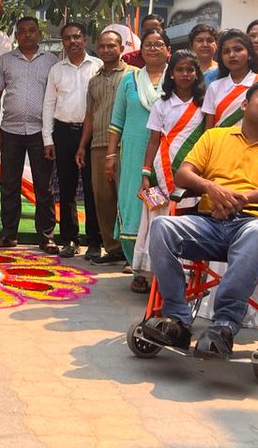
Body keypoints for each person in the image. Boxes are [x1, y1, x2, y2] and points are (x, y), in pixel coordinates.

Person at [139, 79, 258, 359]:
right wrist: (211, 188)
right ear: (244, 104)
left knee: (255, 233)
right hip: (209, 221)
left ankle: (224, 326)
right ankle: (177, 321)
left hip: (255, 222)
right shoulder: (214, 137)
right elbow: (184, 175)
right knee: (162, 226)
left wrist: (244, 198)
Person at [0, 17, 57, 252]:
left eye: (32, 31)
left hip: (41, 133)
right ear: (16, 35)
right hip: (10, 131)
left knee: (43, 187)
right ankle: (8, 234)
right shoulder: (6, 61)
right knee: (9, 184)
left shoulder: (51, 61)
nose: (27, 35)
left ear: (39, 34)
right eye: (22, 31)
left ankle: (46, 236)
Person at [108, 28, 170, 287]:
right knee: (134, 206)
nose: (153, 48)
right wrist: (111, 153)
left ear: (169, 51)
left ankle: (161, 271)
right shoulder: (130, 81)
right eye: (148, 45)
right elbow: (117, 120)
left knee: (160, 206)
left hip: (165, 154)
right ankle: (138, 270)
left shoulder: (176, 80)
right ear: (141, 50)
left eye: (159, 44)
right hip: (134, 153)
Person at [136, 51, 205, 276]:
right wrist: (146, 173)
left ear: (196, 74)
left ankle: (184, 274)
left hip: (190, 169)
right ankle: (151, 273)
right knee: (156, 219)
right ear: (171, 74)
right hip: (160, 170)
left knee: (186, 217)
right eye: (180, 69)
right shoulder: (161, 104)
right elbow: (154, 139)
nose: (185, 74)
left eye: (190, 70)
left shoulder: (204, 105)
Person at [42, 22, 102, 259]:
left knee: (92, 188)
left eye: (76, 37)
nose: (72, 42)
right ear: (63, 43)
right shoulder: (57, 70)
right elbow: (48, 105)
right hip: (63, 132)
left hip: (93, 134)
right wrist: (48, 138)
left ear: (85, 39)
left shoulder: (98, 67)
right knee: (66, 189)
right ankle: (69, 239)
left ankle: (95, 241)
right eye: (67, 38)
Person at [75, 30, 131, 265]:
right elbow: (90, 115)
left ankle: (132, 253)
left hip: (126, 146)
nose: (106, 50)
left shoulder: (133, 76)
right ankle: (114, 248)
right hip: (98, 144)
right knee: (103, 199)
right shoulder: (94, 80)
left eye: (111, 46)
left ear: (121, 48)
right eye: (103, 46)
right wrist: (81, 146)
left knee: (127, 199)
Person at [203, 29, 258, 129]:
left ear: (249, 54)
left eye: (238, 49)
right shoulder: (214, 87)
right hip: (220, 143)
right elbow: (209, 128)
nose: (232, 55)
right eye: (226, 51)